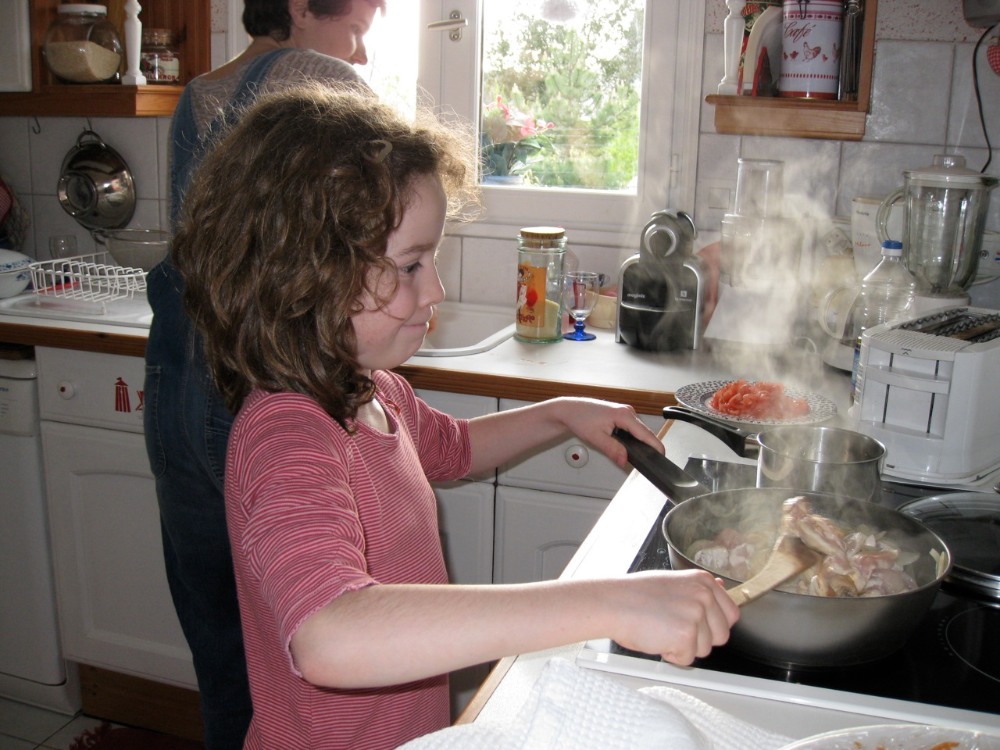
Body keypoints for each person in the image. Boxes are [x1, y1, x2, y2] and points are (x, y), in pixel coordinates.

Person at [172, 84, 740, 750]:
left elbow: (458, 447)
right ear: (305, 274)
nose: (435, 290)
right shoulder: (287, 434)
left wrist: (562, 415)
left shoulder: (373, 392)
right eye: (411, 265)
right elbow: (328, 634)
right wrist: (611, 601)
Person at [143, 3, 384, 748]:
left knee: (221, 651)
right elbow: (372, 248)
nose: (362, 56)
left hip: (176, 390)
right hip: (261, 389)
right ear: (303, 7)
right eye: (357, 29)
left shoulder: (197, 95)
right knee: (296, 653)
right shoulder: (325, 79)